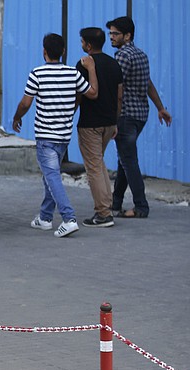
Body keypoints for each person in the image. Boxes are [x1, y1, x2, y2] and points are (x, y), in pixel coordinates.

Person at [12, 33, 98, 238]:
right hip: (63, 136)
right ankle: (45, 217)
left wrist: (16, 117)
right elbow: (93, 93)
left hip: (45, 136)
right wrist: (91, 69)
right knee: (50, 176)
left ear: (44, 51)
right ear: (63, 52)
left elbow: (26, 103)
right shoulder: (73, 74)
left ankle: (69, 219)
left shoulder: (37, 74)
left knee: (52, 176)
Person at [106, 16, 172, 219]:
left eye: (115, 34)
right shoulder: (141, 55)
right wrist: (160, 108)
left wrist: (112, 118)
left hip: (125, 116)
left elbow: (117, 89)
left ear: (128, 35)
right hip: (141, 115)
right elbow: (149, 84)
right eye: (110, 33)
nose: (112, 37)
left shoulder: (122, 56)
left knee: (129, 161)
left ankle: (141, 206)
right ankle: (115, 203)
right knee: (124, 160)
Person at [76, 27, 123, 228]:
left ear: (87, 44)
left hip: (90, 124)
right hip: (109, 123)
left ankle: (103, 213)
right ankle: (107, 205)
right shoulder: (114, 63)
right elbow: (120, 95)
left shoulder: (84, 64)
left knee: (93, 167)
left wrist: (70, 113)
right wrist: (116, 121)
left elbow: (78, 93)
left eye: (82, 41)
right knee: (99, 163)